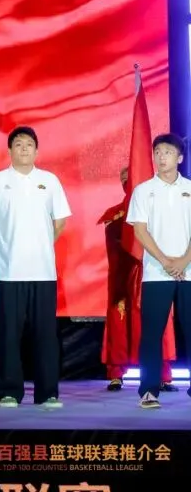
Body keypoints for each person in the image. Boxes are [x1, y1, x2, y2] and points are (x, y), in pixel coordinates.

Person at [0, 126, 71, 409]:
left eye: (29, 144)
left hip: (43, 272)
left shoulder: (49, 181)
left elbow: (60, 222)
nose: (24, 149)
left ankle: (48, 393)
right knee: (9, 333)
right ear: (9, 150)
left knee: (45, 335)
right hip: (9, 272)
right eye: (18, 144)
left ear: (37, 151)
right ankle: (8, 391)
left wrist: (42, 244)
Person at [127, 133, 191, 409]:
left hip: (188, 272)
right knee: (152, 333)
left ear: (180, 157)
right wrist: (166, 261)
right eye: (157, 152)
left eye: (167, 152)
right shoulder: (143, 191)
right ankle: (149, 390)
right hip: (156, 272)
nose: (161, 157)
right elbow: (140, 231)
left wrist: (184, 260)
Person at [100, 167, 176, 392]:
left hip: (152, 273)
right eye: (124, 180)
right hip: (124, 277)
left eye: (131, 179)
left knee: (157, 324)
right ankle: (116, 374)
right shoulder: (114, 214)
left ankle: (162, 375)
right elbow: (114, 249)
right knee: (120, 322)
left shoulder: (158, 210)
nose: (128, 184)